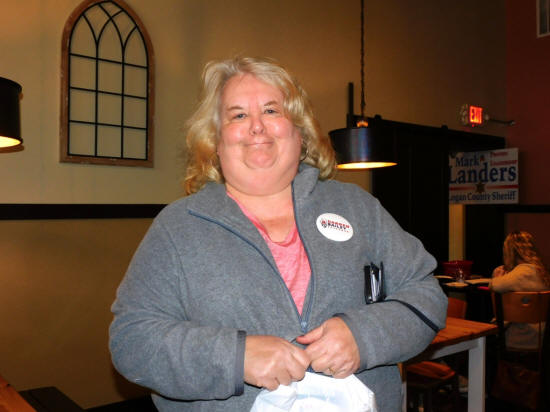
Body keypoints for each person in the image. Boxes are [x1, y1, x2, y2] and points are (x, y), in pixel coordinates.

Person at [109, 56, 447, 411]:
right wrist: (235, 357)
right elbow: (133, 340)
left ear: (300, 132)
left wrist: (363, 336)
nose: (257, 127)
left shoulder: (357, 208)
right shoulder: (178, 228)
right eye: (238, 115)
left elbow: (425, 295)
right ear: (215, 141)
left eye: (271, 111)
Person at [490, 230, 550, 349]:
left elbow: (495, 285)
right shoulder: (541, 270)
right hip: (542, 336)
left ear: (511, 252)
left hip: (520, 337)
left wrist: (497, 276)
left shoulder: (523, 272)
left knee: (488, 334)